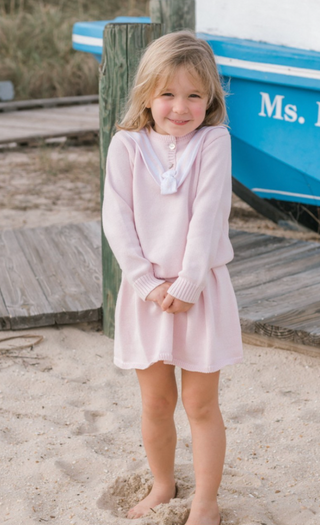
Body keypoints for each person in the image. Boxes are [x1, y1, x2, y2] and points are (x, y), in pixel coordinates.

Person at [102, 30, 243, 525]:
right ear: (146, 94)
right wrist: (145, 282)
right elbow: (115, 218)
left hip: (198, 290)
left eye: (193, 96)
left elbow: (208, 214)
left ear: (210, 99)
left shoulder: (214, 140)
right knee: (157, 401)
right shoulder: (126, 145)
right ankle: (164, 483)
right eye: (167, 94)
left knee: (201, 403)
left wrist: (186, 283)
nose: (179, 107)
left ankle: (205, 499)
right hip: (146, 295)